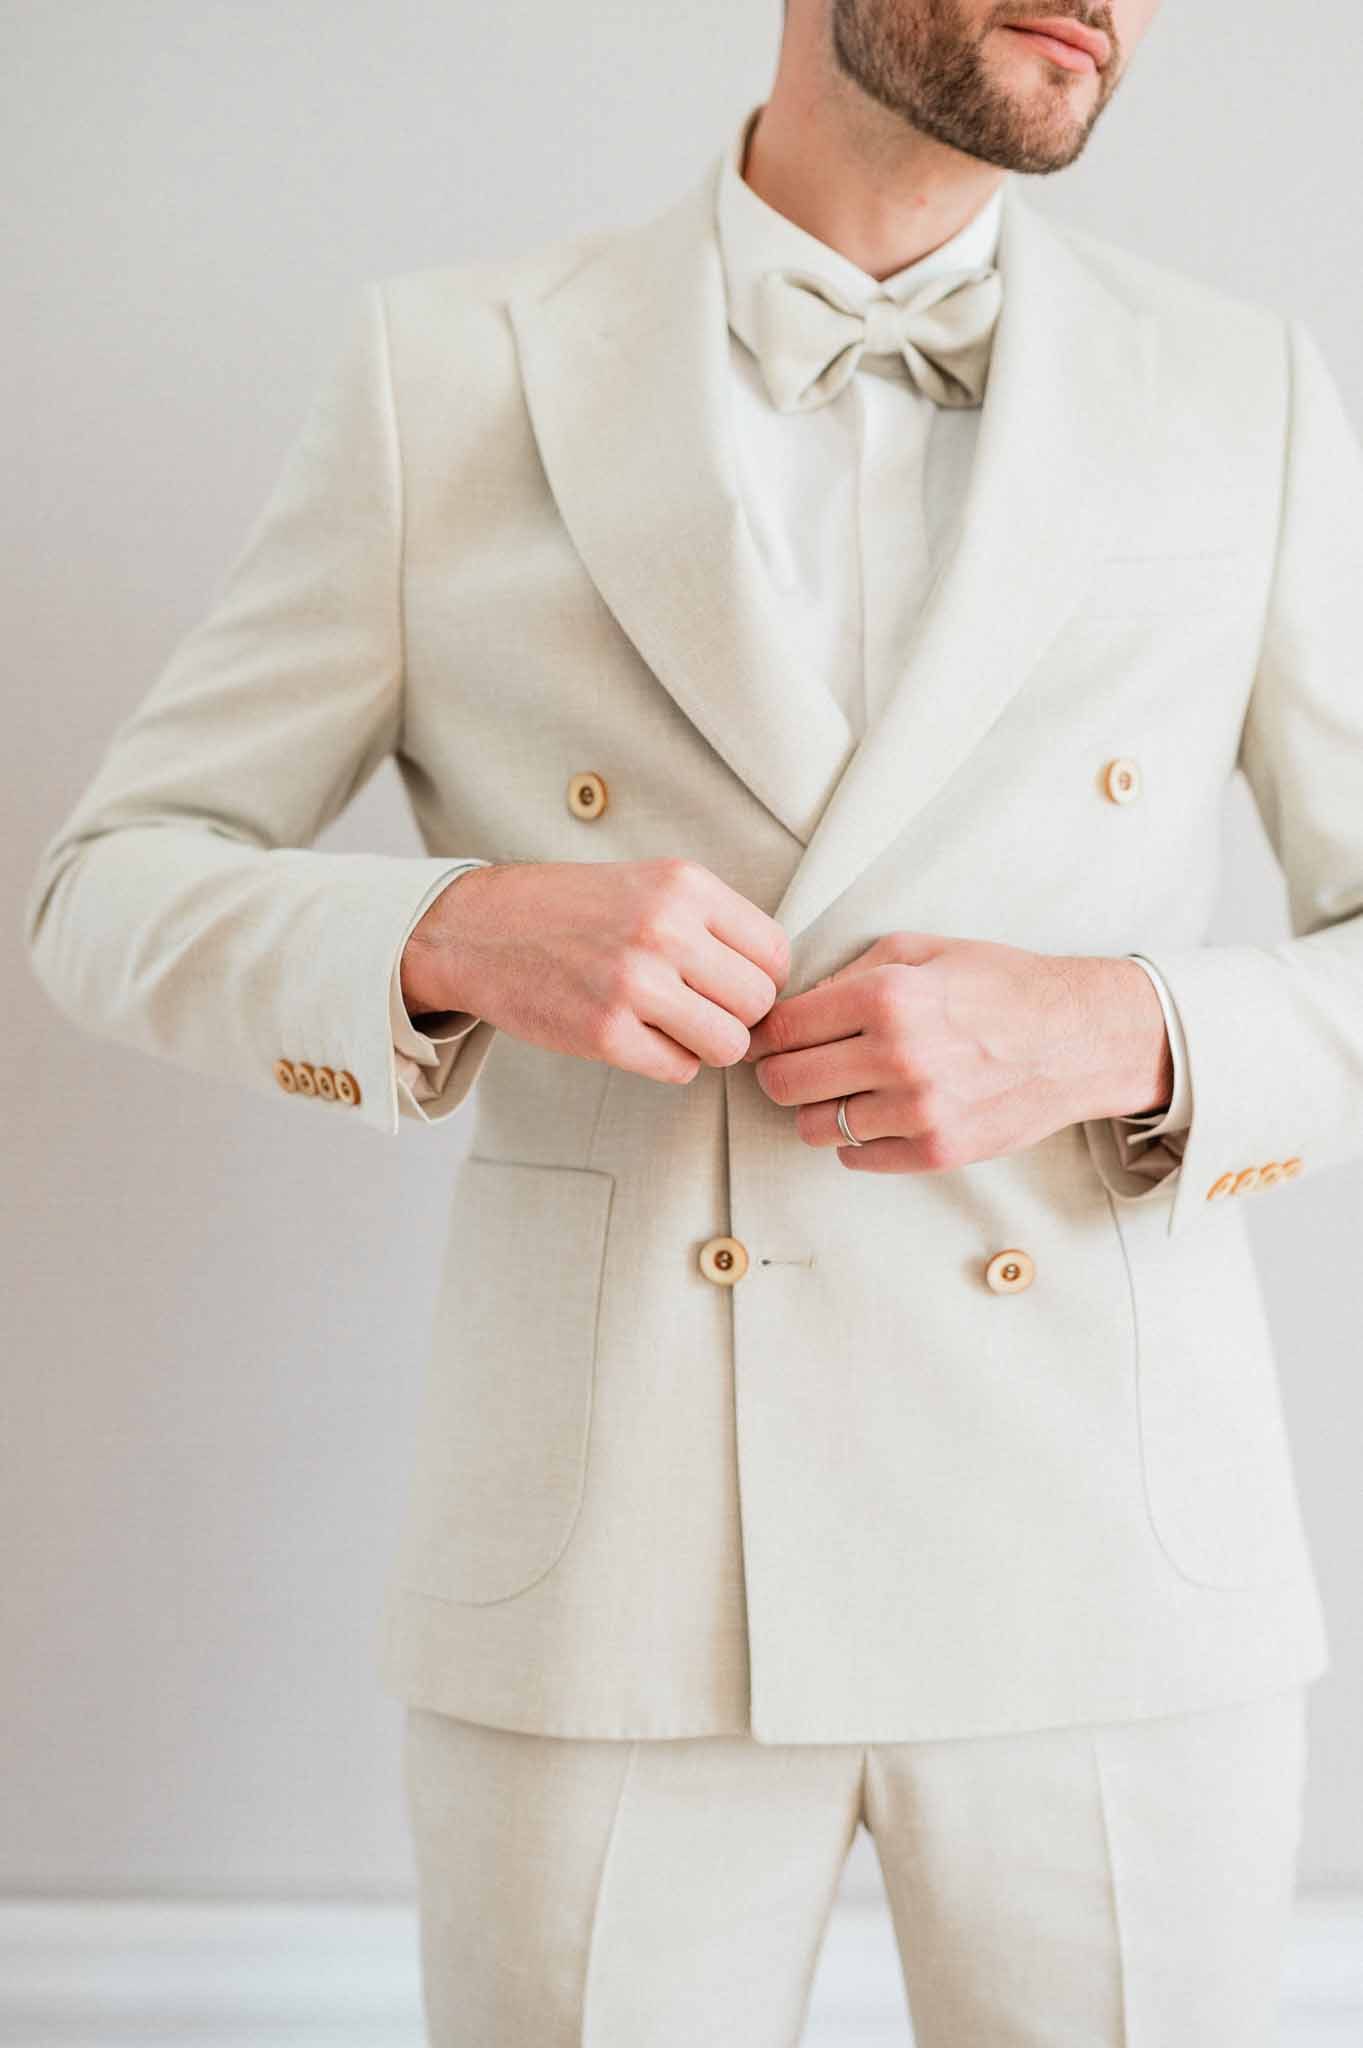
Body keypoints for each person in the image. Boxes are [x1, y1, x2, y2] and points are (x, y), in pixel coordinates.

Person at [26, 1, 1362, 2040]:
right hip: (611, 1578)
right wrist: (457, 933)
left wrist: (1128, 1028)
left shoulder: (1235, 390)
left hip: (1102, 1562)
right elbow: (105, 892)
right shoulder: (453, 369)